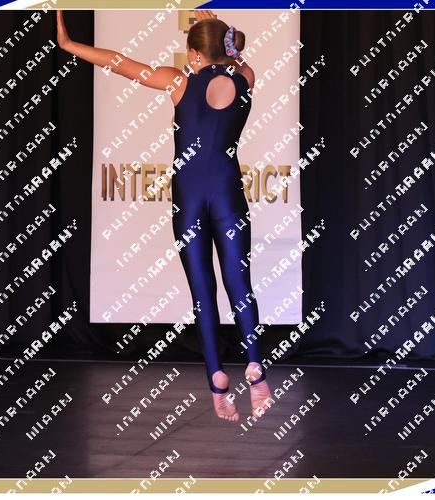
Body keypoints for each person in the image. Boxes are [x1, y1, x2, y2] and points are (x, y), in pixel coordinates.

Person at [56, 10, 274, 422]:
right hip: (228, 195)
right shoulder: (246, 78)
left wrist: (70, 45)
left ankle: (217, 381)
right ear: (226, 49)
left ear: (193, 55)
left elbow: (118, 62)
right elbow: (239, 60)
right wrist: (223, 33)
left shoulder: (178, 83)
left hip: (189, 200)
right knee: (239, 284)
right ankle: (256, 366)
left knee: (203, 293)